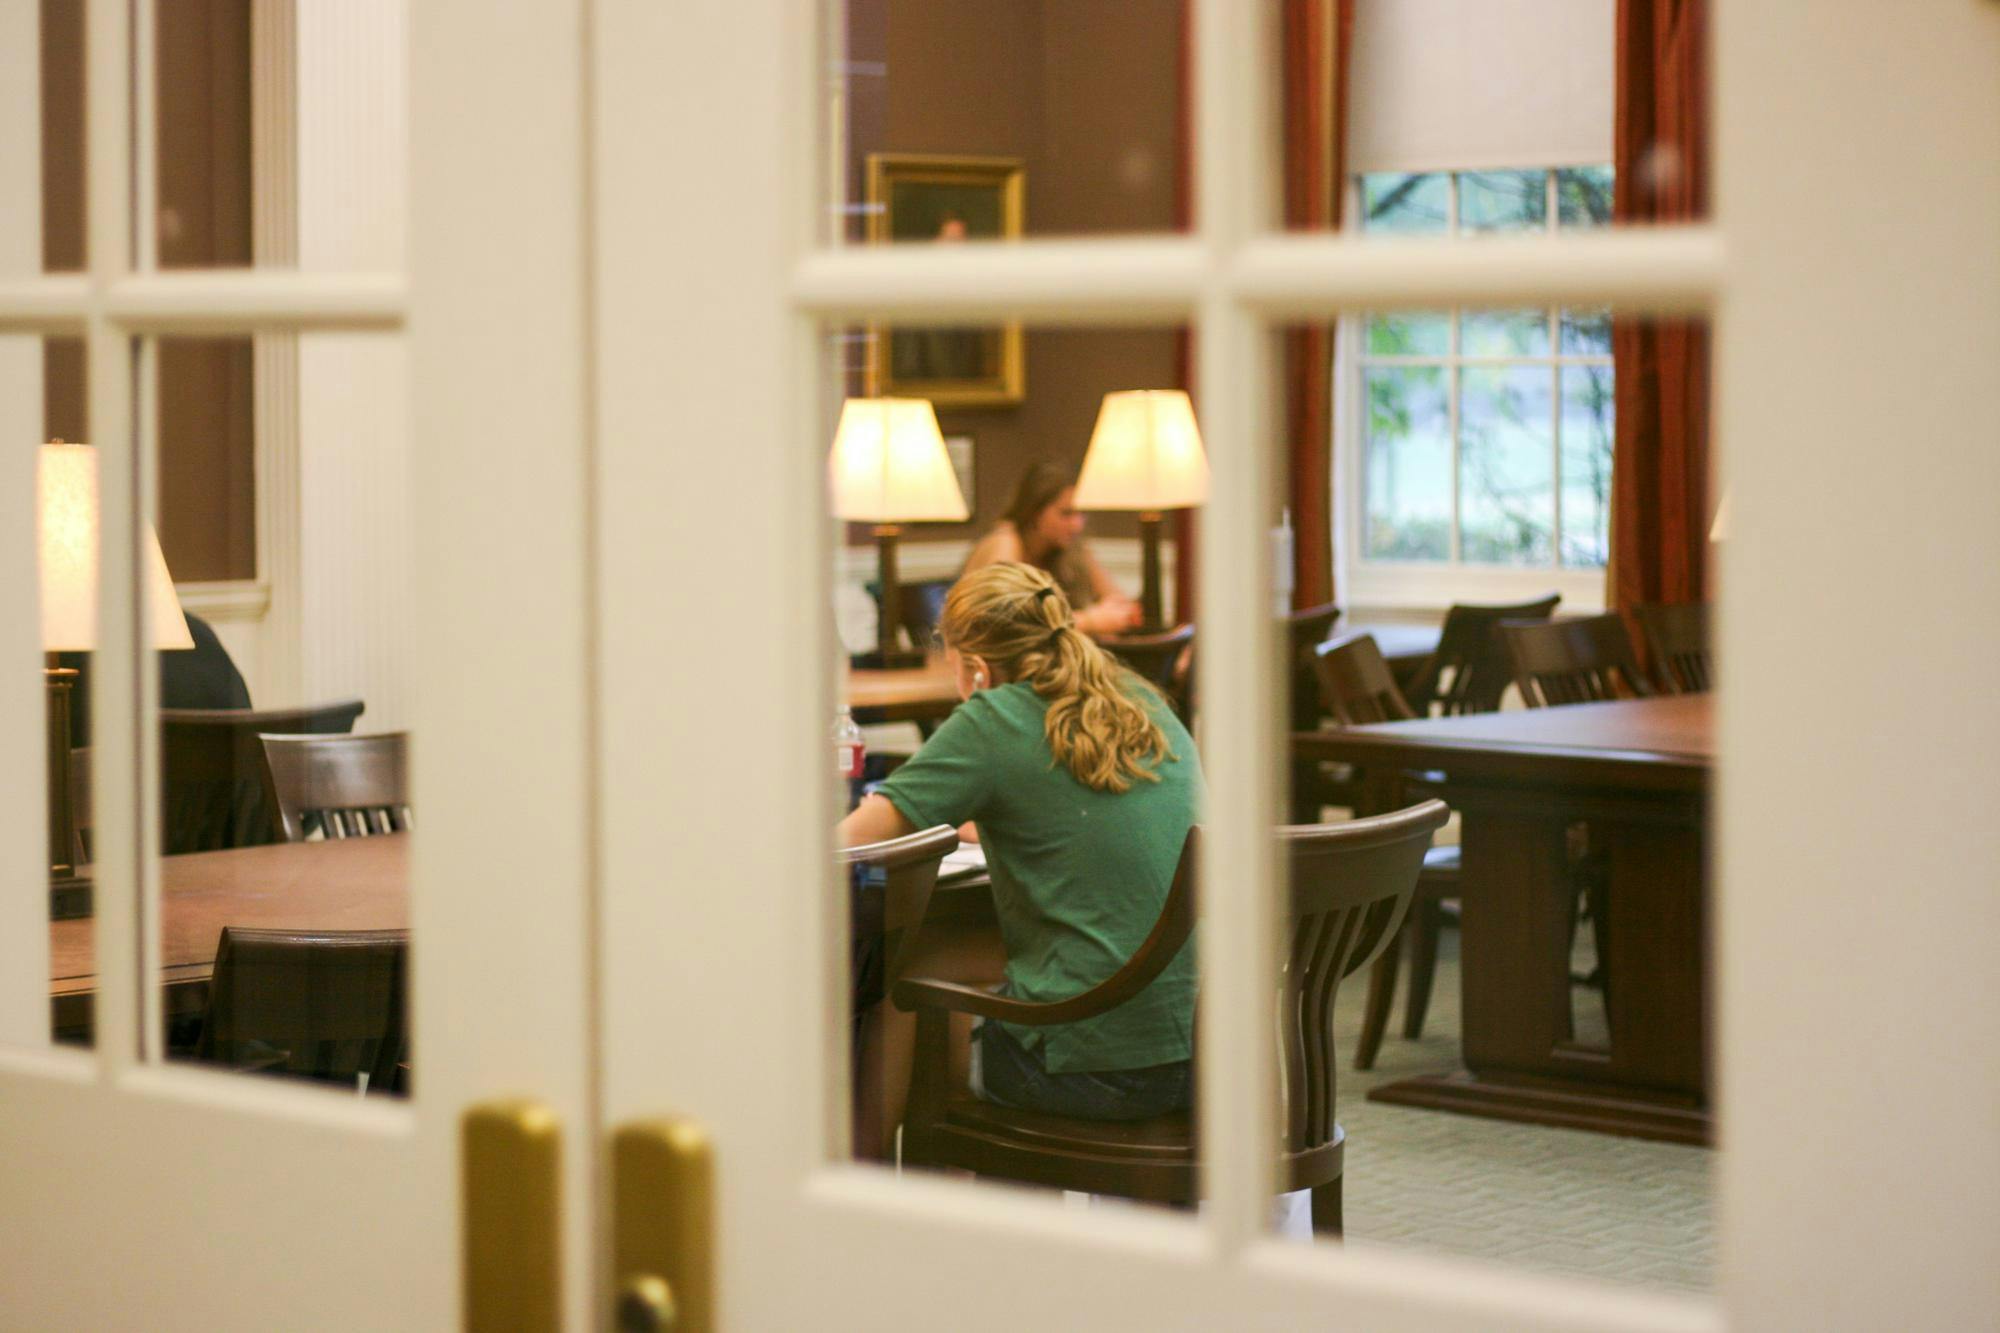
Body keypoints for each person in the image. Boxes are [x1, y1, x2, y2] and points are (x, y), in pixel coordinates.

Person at [838, 562, 1201, 1143]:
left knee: (901, 980)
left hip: (1097, 1073)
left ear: (976, 668)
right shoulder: (1140, 699)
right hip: (1207, 1061)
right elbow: (1068, 816)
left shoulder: (991, 718)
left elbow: (852, 842)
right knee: (936, 955)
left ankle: (870, 1174)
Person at [961, 462, 1142, 636]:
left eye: (1082, 513)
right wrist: (1090, 621)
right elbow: (1008, 625)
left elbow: (1119, 602)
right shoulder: (1005, 541)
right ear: (1034, 512)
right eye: (1066, 513)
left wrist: (1119, 613)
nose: (1077, 525)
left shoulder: (1070, 546)